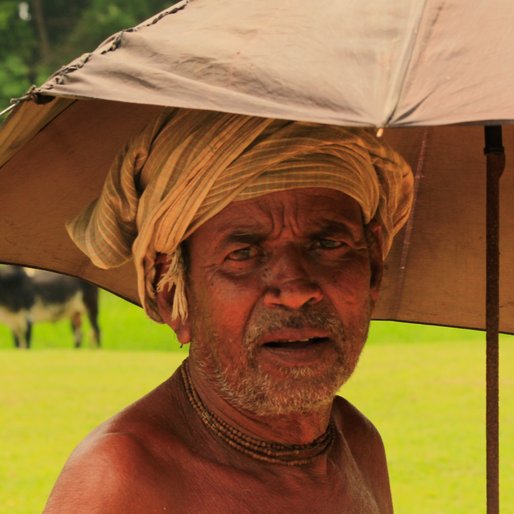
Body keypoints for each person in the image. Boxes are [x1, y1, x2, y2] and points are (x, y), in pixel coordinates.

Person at [43, 109, 413, 513]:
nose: (295, 292)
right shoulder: (123, 478)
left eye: (327, 245)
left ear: (374, 267)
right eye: (244, 254)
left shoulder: (358, 443)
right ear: (171, 294)